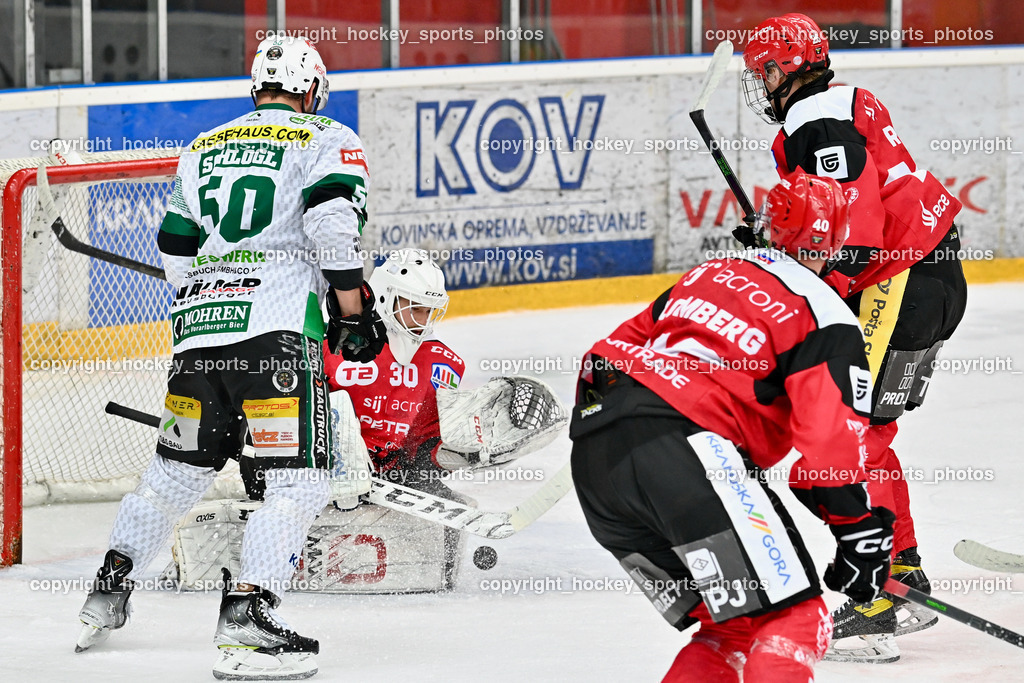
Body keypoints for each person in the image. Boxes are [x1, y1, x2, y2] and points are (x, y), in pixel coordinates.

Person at [75, 36, 386, 680]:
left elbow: (175, 247)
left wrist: (207, 307)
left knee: (175, 474)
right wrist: (352, 312)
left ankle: (110, 584)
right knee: (298, 480)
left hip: (199, 337)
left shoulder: (201, 147)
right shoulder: (326, 136)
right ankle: (248, 616)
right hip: (276, 338)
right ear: (310, 90)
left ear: (257, 89)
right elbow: (333, 225)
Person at [570, 172, 893, 682]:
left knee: (735, 629)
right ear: (836, 239)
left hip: (596, 464)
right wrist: (857, 530)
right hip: (687, 455)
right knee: (794, 617)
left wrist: (614, 434)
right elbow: (828, 444)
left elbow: (609, 352)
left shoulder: (711, 272)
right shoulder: (827, 315)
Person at [740, 13, 968, 662]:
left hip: (900, 279)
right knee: (870, 428)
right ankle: (903, 573)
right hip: (935, 275)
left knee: (845, 428)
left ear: (792, 66)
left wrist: (818, 286)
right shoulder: (851, 100)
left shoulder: (815, 117)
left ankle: (872, 601)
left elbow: (855, 223)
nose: (765, 82)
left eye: (768, 69)